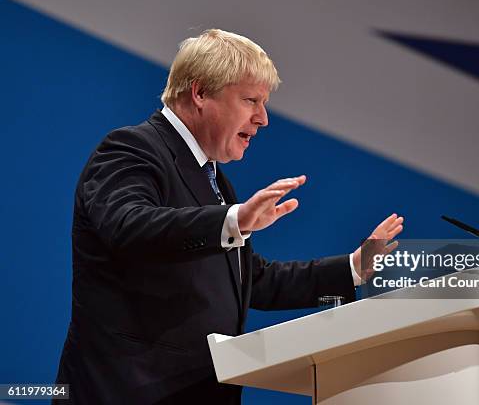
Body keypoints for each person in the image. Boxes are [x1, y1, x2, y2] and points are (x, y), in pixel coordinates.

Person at [54, 29, 403, 404]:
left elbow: (253, 281)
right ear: (200, 93)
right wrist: (231, 221)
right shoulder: (132, 149)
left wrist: (353, 267)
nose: (263, 118)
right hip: (126, 392)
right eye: (250, 100)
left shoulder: (214, 179)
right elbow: (130, 227)